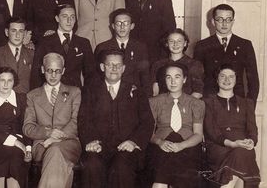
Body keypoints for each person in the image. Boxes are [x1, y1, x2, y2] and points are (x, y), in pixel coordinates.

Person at [79, 49, 154, 187]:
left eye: (118, 65)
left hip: (126, 147)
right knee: (91, 165)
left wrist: (133, 141)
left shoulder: (136, 91)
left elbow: (147, 122)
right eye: (110, 65)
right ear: (102, 67)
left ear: (123, 68)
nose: (114, 69)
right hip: (99, 146)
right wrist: (90, 141)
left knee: (121, 167)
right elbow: (84, 120)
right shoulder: (90, 90)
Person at [23, 52, 81, 188]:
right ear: (43, 70)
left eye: (57, 71)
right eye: (49, 70)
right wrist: (49, 133)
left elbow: (76, 121)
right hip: (42, 144)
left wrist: (56, 138)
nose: (53, 75)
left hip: (69, 144)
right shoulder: (32, 95)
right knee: (57, 156)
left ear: (63, 71)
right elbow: (28, 127)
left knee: (55, 150)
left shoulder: (74, 92)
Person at [149, 63, 205, 188]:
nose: (173, 81)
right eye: (169, 77)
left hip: (187, 146)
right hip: (161, 147)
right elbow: (148, 133)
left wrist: (181, 146)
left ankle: (160, 184)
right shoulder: (154, 102)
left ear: (184, 79)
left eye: (177, 77)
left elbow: (198, 135)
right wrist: (160, 142)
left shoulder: (196, 103)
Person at [204, 64, 260, 188]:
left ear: (236, 79)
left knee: (242, 152)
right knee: (241, 154)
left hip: (242, 146)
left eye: (231, 77)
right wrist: (232, 143)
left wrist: (251, 141)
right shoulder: (207, 102)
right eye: (223, 76)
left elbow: (252, 130)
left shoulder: (247, 103)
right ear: (217, 79)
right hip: (219, 147)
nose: (227, 80)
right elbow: (211, 131)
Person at [194, 4, 259, 104]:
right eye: (220, 19)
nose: (224, 23)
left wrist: (249, 106)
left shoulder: (245, 45)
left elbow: (253, 80)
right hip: (210, 101)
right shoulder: (202, 45)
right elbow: (197, 78)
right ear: (213, 22)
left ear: (233, 21)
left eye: (228, 19)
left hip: (237, 100)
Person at [30, 4, 95, 89]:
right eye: (65, 16)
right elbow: (36, 74)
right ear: (57, 18)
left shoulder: (83, 43)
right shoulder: (44, 42)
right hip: (51, 94)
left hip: (75, 95)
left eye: (72, 17)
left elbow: (91, 75)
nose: (69, 20)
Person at [125, 0, 176, 64]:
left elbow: (170, 30)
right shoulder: (126, 0)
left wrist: (164, 57)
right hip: (131, 54)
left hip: (156, 56)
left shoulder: (164, 0)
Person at [94, 8, 151, 95]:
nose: (122, 26)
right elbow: (97, 77)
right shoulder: (102, 47)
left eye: (126, 23)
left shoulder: (140, 48)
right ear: (113, 26)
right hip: (109, 94)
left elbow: (145, 77)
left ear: (132, 26)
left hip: (133, 94)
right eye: (118, 23)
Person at [0, 17, 34, 95]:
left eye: (21, 31)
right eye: (13, 31)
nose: (17, 35)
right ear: (7, 32)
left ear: (25, 33)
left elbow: (36, 82)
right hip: (4, 99)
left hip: (26, 100)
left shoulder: (31, 54)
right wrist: (2, 96)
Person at [151, 28, 204, 99]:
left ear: (185, 43)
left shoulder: (194, 64)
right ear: (166, 44)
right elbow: (155, 91)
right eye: (171, 41)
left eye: (179, 41)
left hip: (187, 106)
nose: (175, 44)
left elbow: (198, 92)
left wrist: (183, 106)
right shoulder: (158, 64)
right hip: (163, 106)